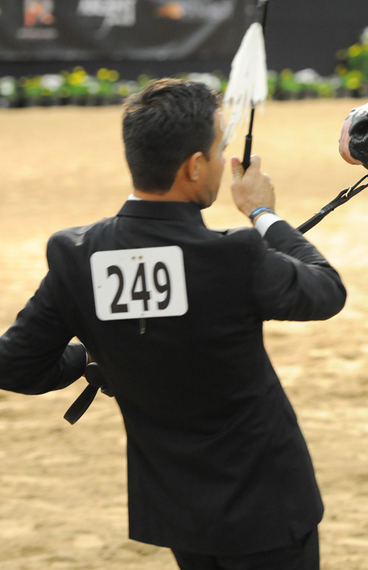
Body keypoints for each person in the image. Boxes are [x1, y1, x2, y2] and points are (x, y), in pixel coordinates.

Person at [0, 78, 345, 568]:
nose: (224, 157)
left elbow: (14, 366)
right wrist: (262, 212)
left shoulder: (78, 254)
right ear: (195, 166)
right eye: (219, 147)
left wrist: (95, 354)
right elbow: (326, 290)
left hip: (180, 511)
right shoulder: (235, 254)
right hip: (267, 506)